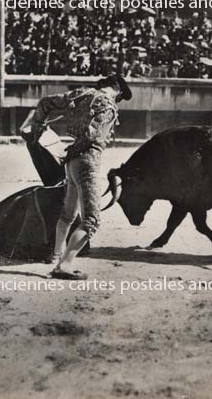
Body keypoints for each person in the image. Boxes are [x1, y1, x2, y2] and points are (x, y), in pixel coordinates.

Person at [22, 74, 132, 279]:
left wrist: (37, 131)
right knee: (91, 220)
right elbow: (92, 137)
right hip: (87, 162)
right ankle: (64, 265)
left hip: (71, 164)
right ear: (117, 87)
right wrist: (73, 151)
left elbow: (45, 103)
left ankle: (55, 255)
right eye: (120, 96)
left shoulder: (82, 94)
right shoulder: (108, 106)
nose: (118, 101)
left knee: (68, 213)